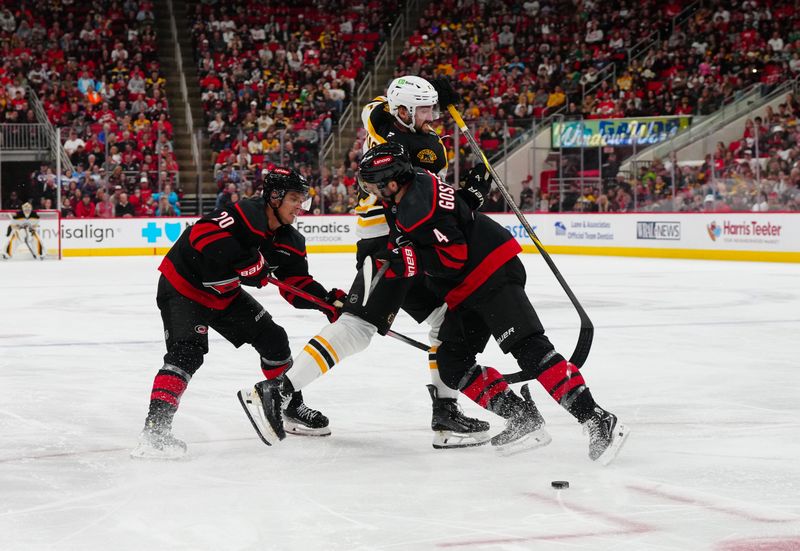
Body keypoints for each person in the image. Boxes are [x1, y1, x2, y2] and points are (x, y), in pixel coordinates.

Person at [240, 76, 491, 450]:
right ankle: (276, 391)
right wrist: (469, 195)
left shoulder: (380, 114)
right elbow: (426, 190)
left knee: (446, 316)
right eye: (424, 110)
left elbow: (374, 107)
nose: (432, 117)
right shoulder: (419, 146)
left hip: (407, 240)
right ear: (404, 111)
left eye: (433, 109)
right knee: (358, 326)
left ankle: (445, 412)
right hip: (388, 241)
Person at [132, 167, 346, 459]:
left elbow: (296, 285)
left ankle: (289, 406)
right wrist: (246, 261)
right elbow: (202, 234)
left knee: (274, 339)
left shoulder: (290, 241)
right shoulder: (246, 214)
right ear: (274, 197)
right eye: (295, 198)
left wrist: (327, 302)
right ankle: (155, 430)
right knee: (187, 353)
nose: (300, 206)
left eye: (302, 199)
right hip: (184, 287)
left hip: (224, 293)